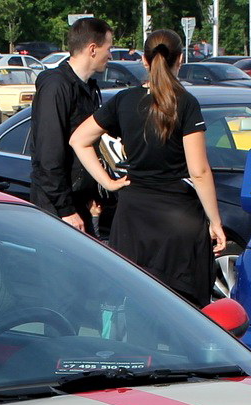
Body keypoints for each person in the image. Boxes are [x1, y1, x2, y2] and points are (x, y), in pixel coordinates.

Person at [70, 29, 226, 306]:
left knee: (136, 305)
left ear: (144, 60)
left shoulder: (123, 100)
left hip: (133, 219)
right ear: (179, 60)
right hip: (178, 221)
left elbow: (79, 140)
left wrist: (108, 182)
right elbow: (199, 171)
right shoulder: (186, 103)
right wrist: (215, 222)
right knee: (181, 310)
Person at [29, 16, 114, 234]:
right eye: (109, 48)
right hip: (57, 209)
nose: (110, 55)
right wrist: (65, 210)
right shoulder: (56, 87)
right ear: (93, 49)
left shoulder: (87, 88)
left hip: (78, 201)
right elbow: (49, 155)